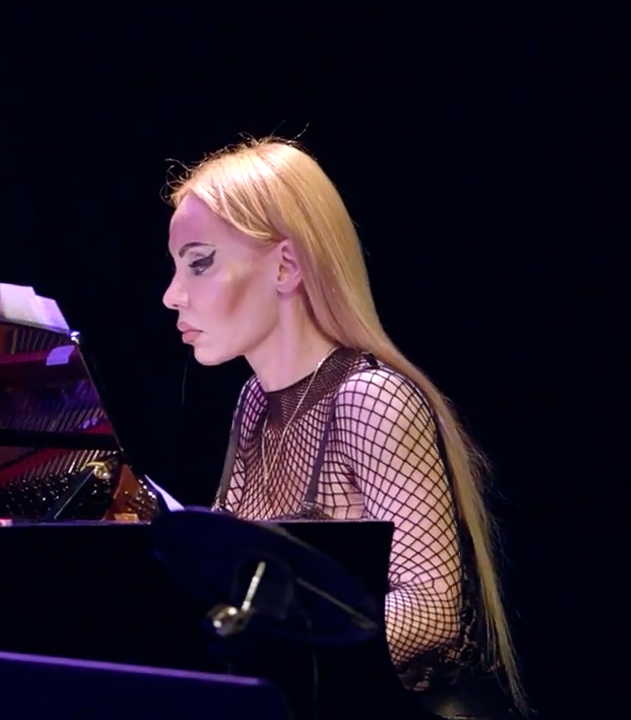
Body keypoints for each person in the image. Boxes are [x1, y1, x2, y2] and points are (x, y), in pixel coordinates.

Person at [162, 137, 524, 715]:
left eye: (199, 263)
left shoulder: (369, 395)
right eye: (176, 267)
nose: (172, 295)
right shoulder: (254, 402)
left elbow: (432, 608)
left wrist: (276, 635)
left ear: (286, 266)